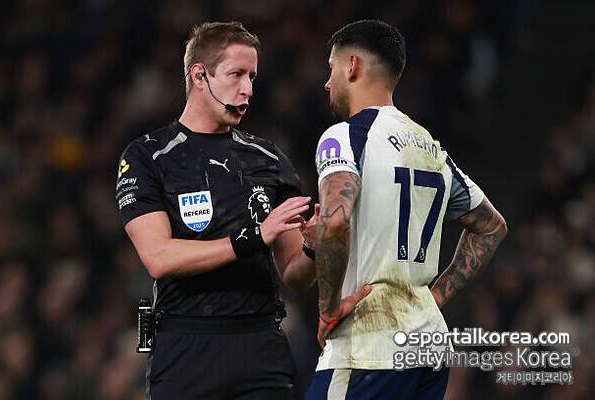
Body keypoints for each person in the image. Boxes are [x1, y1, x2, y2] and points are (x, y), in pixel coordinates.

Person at [115, 21, 368, 400]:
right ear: (200, 76)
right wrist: (254, 237)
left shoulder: (269, 159)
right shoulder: (148, 156)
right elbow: (159, 258)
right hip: (185, 347)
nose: (248, 88)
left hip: (260, 346)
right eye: (236, 74)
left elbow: (293, 273)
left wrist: (314, 247)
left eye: (252, 77)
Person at [306, 20, 508, 399]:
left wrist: (328, 308)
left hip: (369, 346)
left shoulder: (346, 136)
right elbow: (492, 226)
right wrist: (435, 298)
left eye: (331, 69)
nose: (327, 83)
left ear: (352, 65)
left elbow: (334, 223)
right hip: (429, 348)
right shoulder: (430, 148)